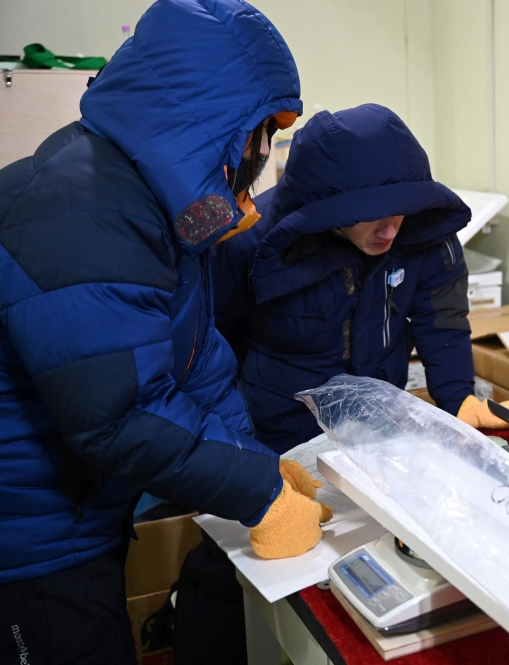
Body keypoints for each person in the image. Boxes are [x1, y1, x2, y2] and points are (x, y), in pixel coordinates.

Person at [0, 1, 330, 663]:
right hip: (29, 542)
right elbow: (119, 414)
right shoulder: (83, 211)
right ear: (218, 124)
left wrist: (256, 462)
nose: (263, 154)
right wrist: (259, 493)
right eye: (261, 133)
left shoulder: (136, 195)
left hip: (72, 515)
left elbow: (194, 356)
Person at [213, 104, 509, 455]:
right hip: (277, 436)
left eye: (400, 207)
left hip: (380, 431)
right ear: (327, 210)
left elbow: (443, 322)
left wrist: (459, 399)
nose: (390, 229)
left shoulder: (425, 233)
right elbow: (215, 343)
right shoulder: (250, 240)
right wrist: (235, 442)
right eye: (371, 214)